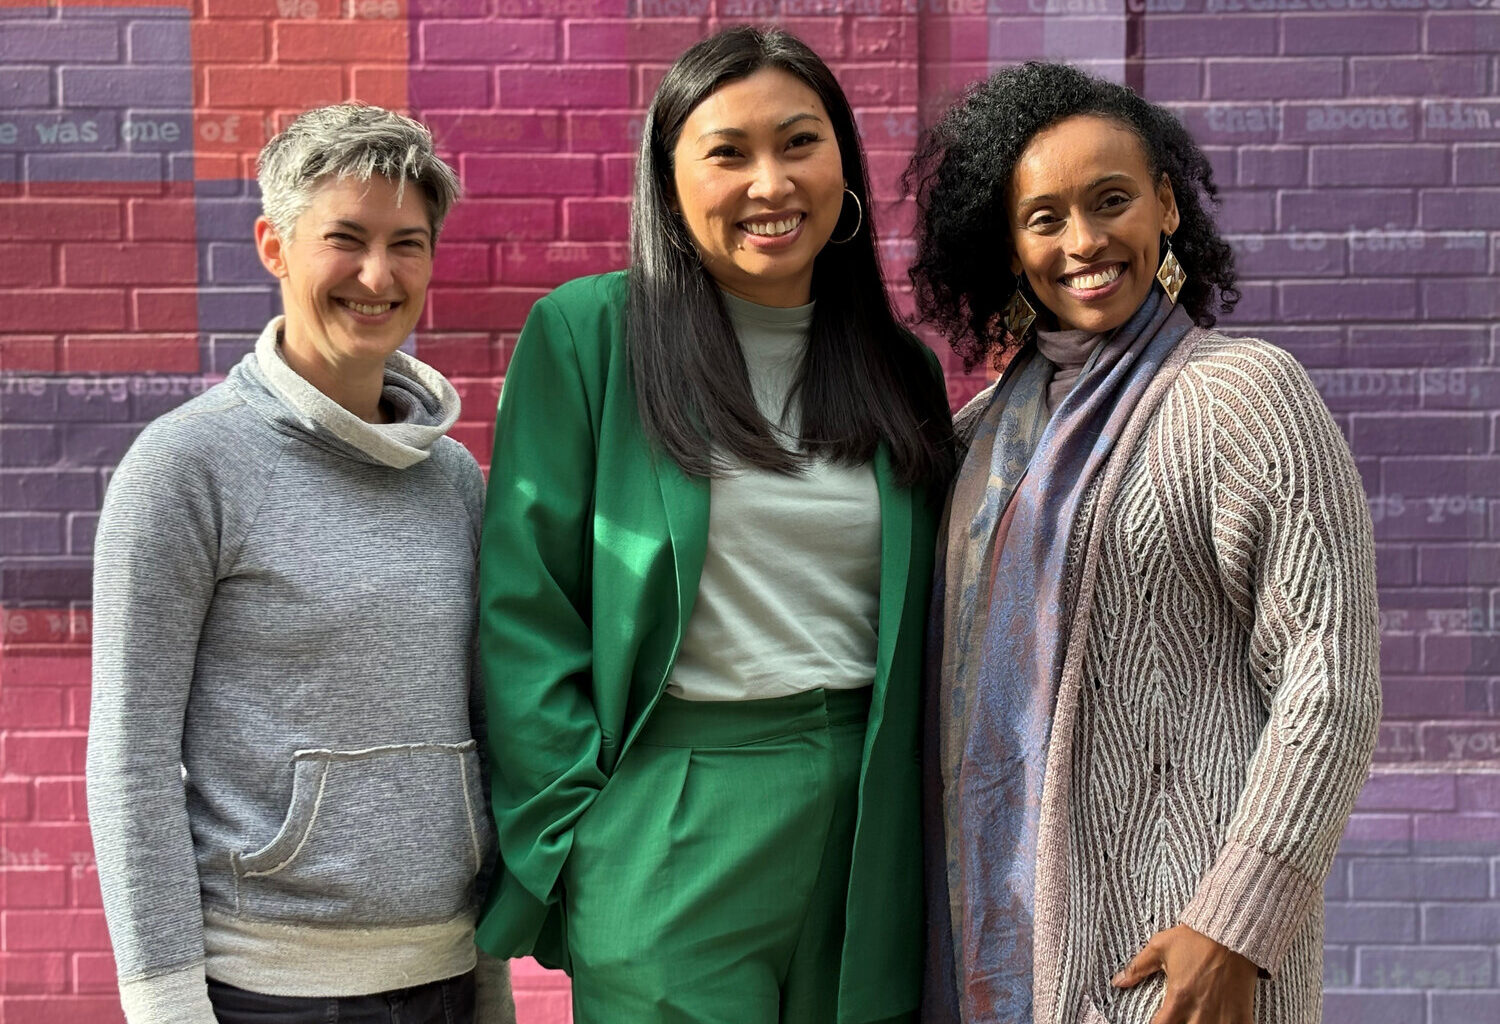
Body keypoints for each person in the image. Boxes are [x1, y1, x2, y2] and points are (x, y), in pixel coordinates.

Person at [473, 26, 954, 1024]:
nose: (770, 183)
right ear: (670, 179)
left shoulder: (898, 369)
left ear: (845, 164)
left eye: (799, 143)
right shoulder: (589, 337)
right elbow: (528, 606)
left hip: (869, 816)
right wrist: (576, 838)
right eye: (728, 152)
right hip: (674, 814)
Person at [905, 63, 1380, 1024]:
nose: (1084, 242)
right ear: (1008, 243)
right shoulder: (977, 439)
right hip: (996, 955)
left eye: (1111, 200)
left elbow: (1330, 678)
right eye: (1044, 218)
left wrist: (1238, 923)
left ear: (1165, 203)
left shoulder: (1244, 396)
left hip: (1183, 959)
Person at [87, 103, 514, 1024]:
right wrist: (163, 1004)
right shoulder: (183, 469)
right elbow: (130, 759)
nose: (377, 274)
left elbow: (476, 727)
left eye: (408, 244)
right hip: (264, 992)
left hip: (440, 976)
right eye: (345, 239)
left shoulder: (454, 478)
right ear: (274, 246)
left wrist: (487, 977)